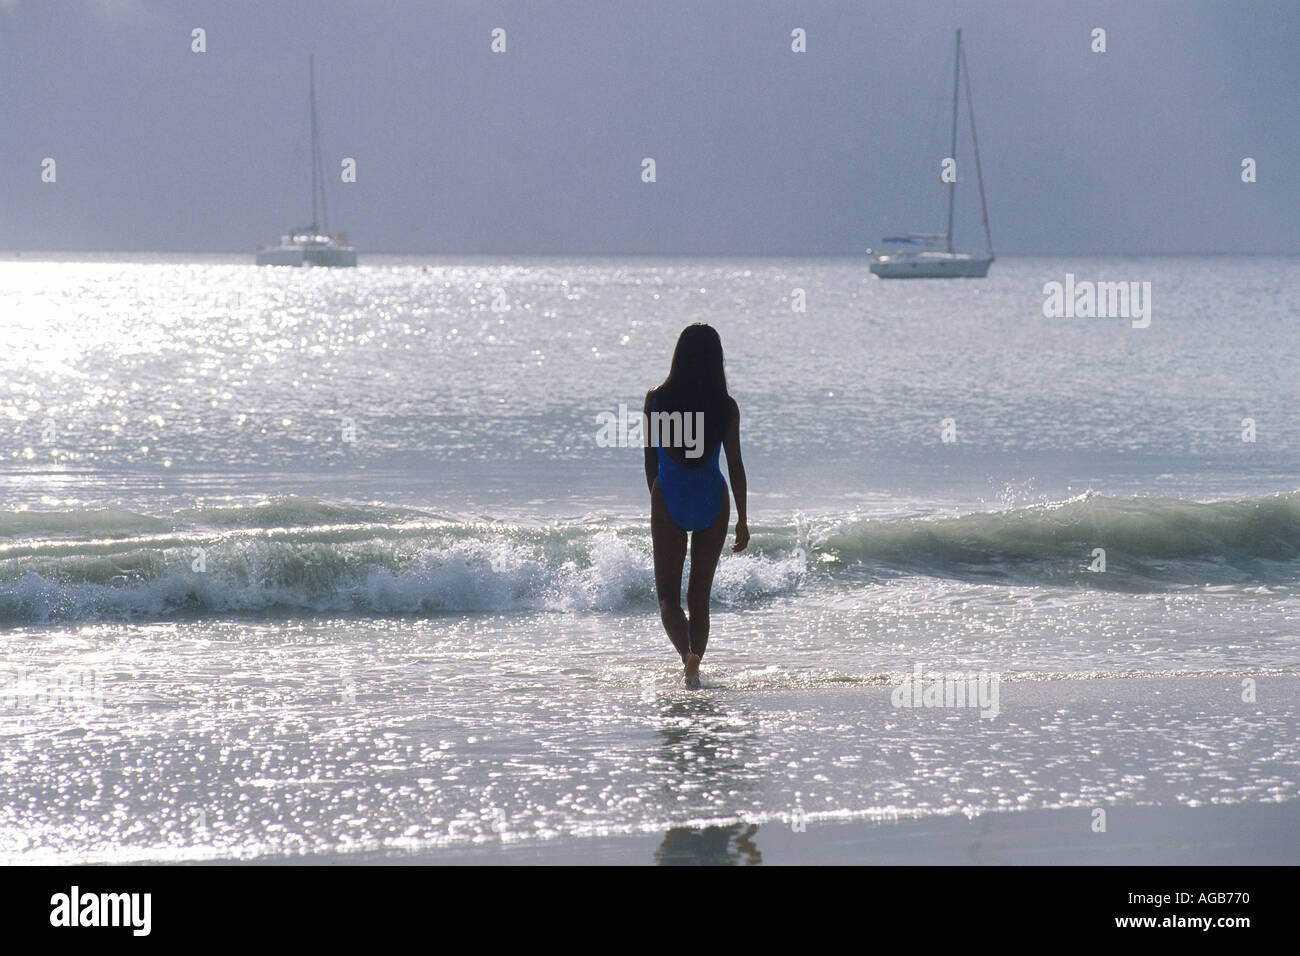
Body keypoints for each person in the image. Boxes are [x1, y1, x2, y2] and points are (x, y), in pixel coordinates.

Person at [643, 324, 748, 687]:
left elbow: (650, 458)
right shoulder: (725, 406)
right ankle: (695, 671)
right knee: (699, 596)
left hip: (670, 495)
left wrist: (659, 500)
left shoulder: (656, 398)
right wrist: (744, 520)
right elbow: (735, 465)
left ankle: (686, 655)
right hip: (712, 499)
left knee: (669, 599)